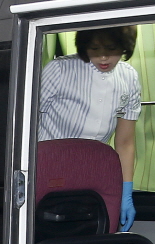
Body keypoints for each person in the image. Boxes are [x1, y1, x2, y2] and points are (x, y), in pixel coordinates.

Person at [38, 26, 142, 231]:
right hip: (51, 169)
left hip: (95, 172)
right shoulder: (59, 70)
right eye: (94, 49)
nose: (103, 58)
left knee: (92, 237)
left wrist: (125, 192)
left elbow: (125, 142)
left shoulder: (129, 77)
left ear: (125, 48)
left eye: (111, 49)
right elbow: (25, 122)